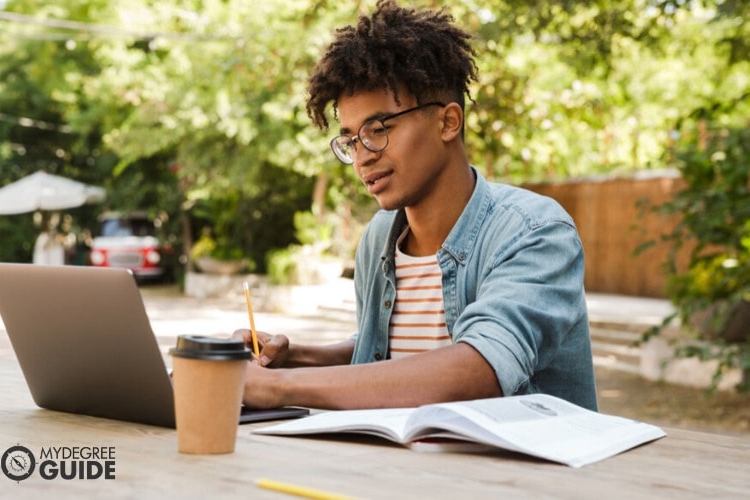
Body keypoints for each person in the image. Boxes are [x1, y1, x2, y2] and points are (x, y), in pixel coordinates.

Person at [236, 0, 597, 411]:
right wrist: (293, 357)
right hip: (406, 470)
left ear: (447, 122)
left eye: (377, 129)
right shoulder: (379, 239)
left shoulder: (534, 230)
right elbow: (390, 355)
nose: (362, 156)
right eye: (351, 140)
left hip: (523, 471)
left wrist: (278, 389)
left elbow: (479, 368)